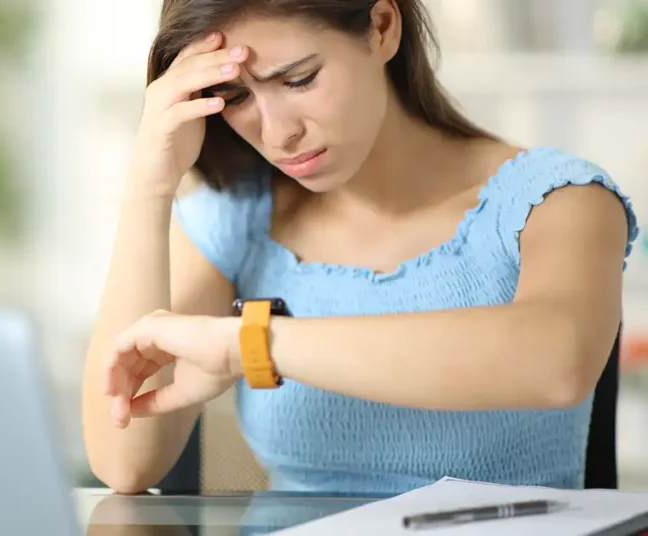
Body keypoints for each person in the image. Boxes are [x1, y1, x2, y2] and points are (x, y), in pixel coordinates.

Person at [81, 0, 639, 495]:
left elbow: (555, 362)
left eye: (298, 79)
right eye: (233, 96)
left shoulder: (557, 200)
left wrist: (250, 344)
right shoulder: (238, 218)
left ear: (382, 26)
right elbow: (126, 463)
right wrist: (149, 187)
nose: (278, 133)